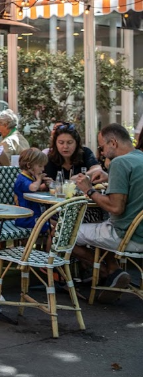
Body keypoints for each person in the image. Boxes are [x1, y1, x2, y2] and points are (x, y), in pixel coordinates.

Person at [72, 124, 143, 303]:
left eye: (102, 147)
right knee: (99, 225)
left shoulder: (120, 162)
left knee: (62, 235)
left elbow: (115, 207)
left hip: (126, 236)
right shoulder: (139, 158)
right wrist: (110, 177)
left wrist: (89, 190)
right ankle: (113, 272)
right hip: (139, 232)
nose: (101, 152)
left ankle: (109, 274)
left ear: (113, 143)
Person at [12, 148, 52, 230]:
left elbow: (35, 189)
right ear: (29, 165)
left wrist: (46, 185)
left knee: (54, 222)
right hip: (25, 218)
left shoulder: (30, 178)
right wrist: (39, 179)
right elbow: (33, 188)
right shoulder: (22, 179)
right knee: (50, 227)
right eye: (40, 166)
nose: (43, 169)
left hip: (32, 215)